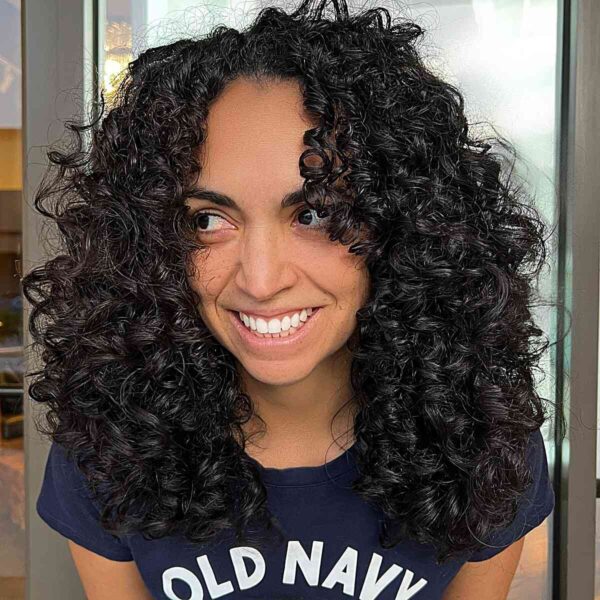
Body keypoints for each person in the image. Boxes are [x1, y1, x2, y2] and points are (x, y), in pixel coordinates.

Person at [24, 0, 558, 597]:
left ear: (403, 224)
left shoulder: (484, 438)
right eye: (207, 220)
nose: (260, 280)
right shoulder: (107, 443)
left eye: (313, 214)